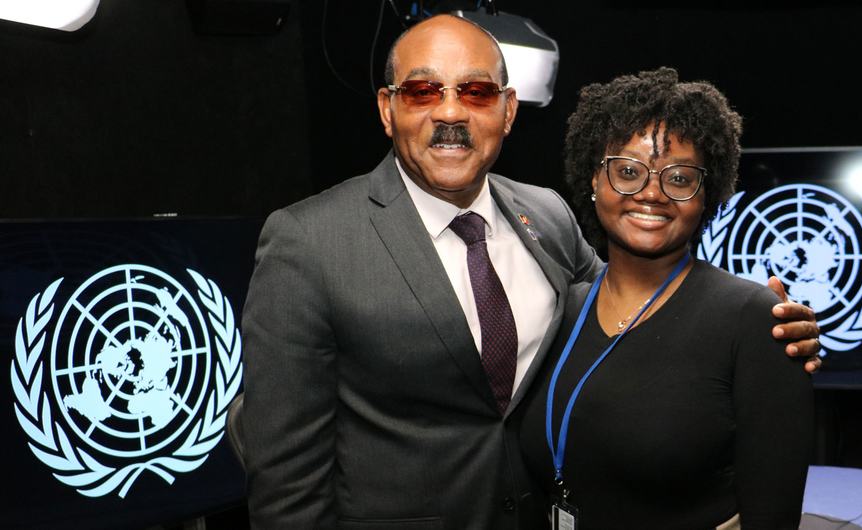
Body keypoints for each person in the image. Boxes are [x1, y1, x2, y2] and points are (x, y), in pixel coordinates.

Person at [240, 15, 820, 530]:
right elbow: (286, 476)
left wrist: (762, 329)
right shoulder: (307, 242)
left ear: (508, 111)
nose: (449, 112)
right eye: (422, 91)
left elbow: (632, 309)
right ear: (387, 110)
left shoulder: (543, 214)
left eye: (475, 91)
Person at [518, 68, 813, 529]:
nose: (652, 193)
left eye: (679, 178)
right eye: (629, 172)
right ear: (594, 180)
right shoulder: (560, 307)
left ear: (706, 194)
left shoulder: (752, 321)